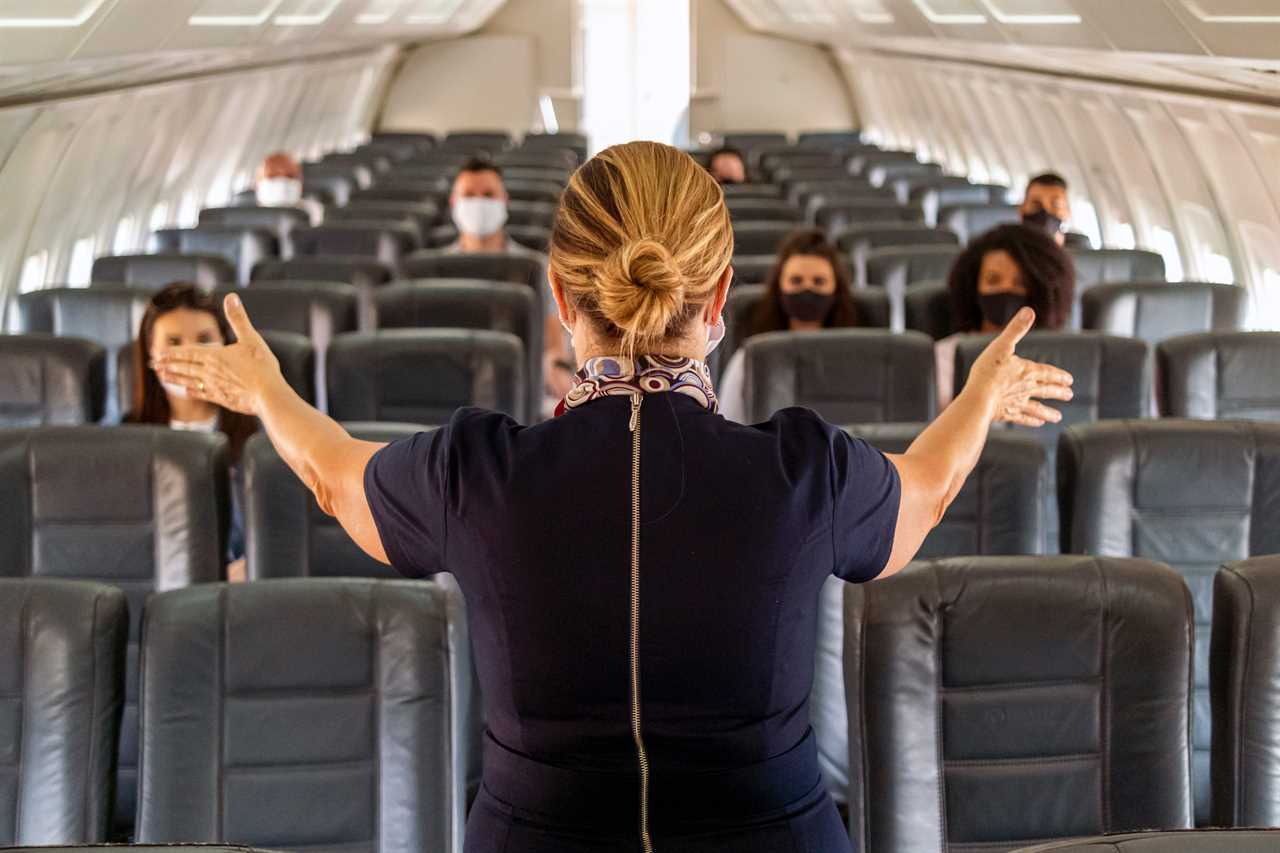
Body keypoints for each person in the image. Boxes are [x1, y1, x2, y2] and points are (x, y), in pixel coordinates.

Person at [155, 140, 1072, 853]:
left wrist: (268, 390)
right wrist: (979, 396)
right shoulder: (807, 470)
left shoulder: (477, 472)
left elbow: (331, 472)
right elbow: (927, 488)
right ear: (720, 299)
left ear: (560, 295)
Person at [124, 283, 258, 582]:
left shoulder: (261, 436)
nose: (191, 353)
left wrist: (256, 564)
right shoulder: (125, 442)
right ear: (150, 355)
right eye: (174, 341)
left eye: (204, 340)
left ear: (225, 346)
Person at [446, 157, 576, 410]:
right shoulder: (433, 269)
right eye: (469, 195)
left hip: (520, 385)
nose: (479, 203)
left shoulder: (534, 268)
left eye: (488, 194)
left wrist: (554, 365)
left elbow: (552, 341)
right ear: (454, 203)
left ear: (504, 201)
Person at [718, 228, 859, 422]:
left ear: (836, 290)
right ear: (779, 288)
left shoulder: (858, 355)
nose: (807, 289)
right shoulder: (750, 359)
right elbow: (730, 425)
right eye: (796, 281)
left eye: (819, 282)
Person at [936, 223, 1075, 409]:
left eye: (1020, 283)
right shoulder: (943, 357)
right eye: (993, 280)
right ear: (973, 287)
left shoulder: (1066, 356)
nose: (1006, 290)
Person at [254, 151, 323, 224]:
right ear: (258, 182)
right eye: (273, 176)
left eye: (289, 176)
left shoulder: (314, 211)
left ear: (300, 181)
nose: (282, 182)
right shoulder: (247, 214)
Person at [1019, 172, 1073, 247]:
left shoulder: (1079, 253)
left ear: (1068, 212)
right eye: (1036, 204)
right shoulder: (1004, 251)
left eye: (1055, 205)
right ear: (1021, 210)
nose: (1045, 211)